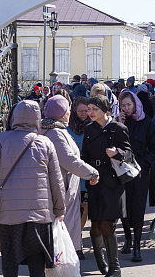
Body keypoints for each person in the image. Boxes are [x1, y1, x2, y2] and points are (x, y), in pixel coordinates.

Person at [0, 100, 66, 277]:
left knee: (9, 263)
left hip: (9, 213)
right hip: (39, 215)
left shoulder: (2, 139)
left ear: (15, 117)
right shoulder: (45, 143)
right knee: (36, 265)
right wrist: (59, 208)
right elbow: (56, 180)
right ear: (38, 119)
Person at [41, 95, 100, 262]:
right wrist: (92, 173)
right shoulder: (55, 133)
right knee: (62, 239)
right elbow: (70, 160)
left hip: (62, 188)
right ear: (61, 113)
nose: (69, 112)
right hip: (63, 190)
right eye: (67, 109)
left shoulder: (50, 129)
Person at [81, 95, 134, 277]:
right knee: (95, 226)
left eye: (94, 109)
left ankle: (115, 267)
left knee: (107, 225)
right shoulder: (89, 130)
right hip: (95, 181)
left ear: (105, 109)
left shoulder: (118, 129)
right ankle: (101, 263)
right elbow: (84, 157)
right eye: (88, 110)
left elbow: (129, 155)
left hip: (113, 182)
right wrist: (87, 174)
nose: (90, 113)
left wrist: (117, 152)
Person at [117, 89, 155, 262]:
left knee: (138, 208)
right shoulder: (118, 123)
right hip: (122, 170)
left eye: (129, 105)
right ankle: (127, 238)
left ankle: (136, 245)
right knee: (124, 207)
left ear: (135, 104)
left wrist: (145, 163)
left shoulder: (146, 122)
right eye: (123, 105)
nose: (127, 108)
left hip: (141, 171)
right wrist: (119, 125)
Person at [66, 96, 91, 259]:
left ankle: (78, 238)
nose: (83, 114)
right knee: (72, 209)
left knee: (84, 208)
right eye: (80, 110)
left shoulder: (92, 126)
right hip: (71, 173)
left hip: (87, 172)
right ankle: (73, 242)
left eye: (86, 111)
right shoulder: (67, 128)